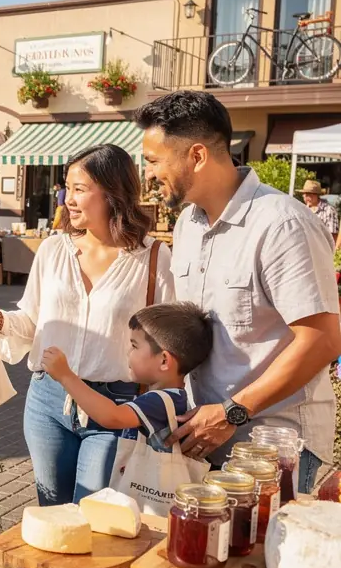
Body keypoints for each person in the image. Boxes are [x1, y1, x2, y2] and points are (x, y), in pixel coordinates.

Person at [138, 90, 341, 489]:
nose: (147, 173)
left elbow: (323, 339)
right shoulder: (188, 226)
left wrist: (232, 413)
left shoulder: (283, 224)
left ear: (196, 156)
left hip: (276, 451)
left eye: (153, 161)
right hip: (206, 439)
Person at [0, 144, 174, 505]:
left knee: (94, 512)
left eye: (79, 189)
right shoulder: (54, 250)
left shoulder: (152, 258)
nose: (67, 199)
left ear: (112, 191)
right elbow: (33, 321)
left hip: (115, 405)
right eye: (66, 188)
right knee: (53, 514)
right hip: (48, 400)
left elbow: (168, 344)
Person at [41, 302, 213, 451]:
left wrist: (65, 376)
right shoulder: (174, 396)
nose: (128, 352)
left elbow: (112, 416)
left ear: (164, 360)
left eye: (134, 346)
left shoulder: (161, 400)